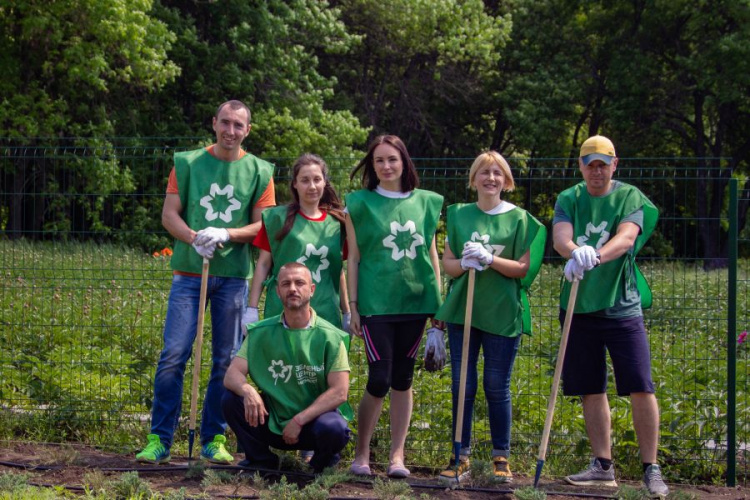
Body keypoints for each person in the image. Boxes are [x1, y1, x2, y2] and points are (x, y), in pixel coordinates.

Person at [136, 100, 276, 465]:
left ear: (248, 129)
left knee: (225, 361)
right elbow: (170, 215)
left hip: (232, 278)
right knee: (173, 356)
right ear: (214, 124)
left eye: (238, 125)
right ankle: (159, 438)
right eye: (225, 123)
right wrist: (194, 237)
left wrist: (226, 233)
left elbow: (263, 225)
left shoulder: (260, 171)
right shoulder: (187, 163)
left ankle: (213, 438)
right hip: (189, 274)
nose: (231, 131)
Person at [552, 135, 668, 498]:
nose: (597, 170)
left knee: (640, 384)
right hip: (578, 303)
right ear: (581, 166)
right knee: (590, 387)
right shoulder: (569, 198)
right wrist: (574, 253)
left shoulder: (629, 196)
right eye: (590, 163)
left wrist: (595, 256)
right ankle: (603, 466)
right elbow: (560, 237)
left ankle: (651, 468)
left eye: (603, 163)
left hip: (621, 305)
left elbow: (627, 237)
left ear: (614, 164)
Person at [434, 151, 546, 485]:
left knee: (497, 385)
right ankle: (460, 454)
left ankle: (501, 456)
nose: (491, 178)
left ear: (507, 181)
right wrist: (465, 264)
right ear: (474, 179)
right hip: (463, 313)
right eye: (484, 172)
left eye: (497, 173)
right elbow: (448, 264)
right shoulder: (458, 215)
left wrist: (489, 259)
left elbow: (523, 269)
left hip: (501, 312)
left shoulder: (521, 220)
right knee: (462, 384)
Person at [345, 134, 443, 478]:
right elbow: (354, 259)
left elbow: (432, 255)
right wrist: (353, 306)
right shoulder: (358, 203)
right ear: (372, 167)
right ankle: (362, 454)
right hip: (375, 305)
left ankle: (397, 457)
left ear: (405, 162)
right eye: (379, 161)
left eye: (392, 159)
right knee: (379, 379)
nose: (386, 166)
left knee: (403, 379)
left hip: (416, 303)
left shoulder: (427, 202)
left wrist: (438, 306)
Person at [247, 153, 352, 463]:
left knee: (317, 377)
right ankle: (262, 444)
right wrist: (251, 307)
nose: (312, 185)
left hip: (324, 315)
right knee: (275, 376)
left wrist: (347, 311)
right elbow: (264, 264)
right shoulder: (277, 219)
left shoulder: (337, 224)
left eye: (317, 179)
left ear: (325, 183)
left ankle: (317, 446)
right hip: (281, 314)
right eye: (305, 179)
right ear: (294, 184)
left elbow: (340, 271)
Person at [222, 263, 351, 473]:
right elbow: (232, 375)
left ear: (312, 289)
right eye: (286, 283)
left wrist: (299, 420)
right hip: (272, 419)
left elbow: (340, 392)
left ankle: (320, 467)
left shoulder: (331, 336)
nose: (292, 288)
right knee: (231, 399)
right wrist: (248, 390)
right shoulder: (260, 332)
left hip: (313, 424)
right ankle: (262, 462)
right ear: (277, 291)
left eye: (299, 283)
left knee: (334, 428)